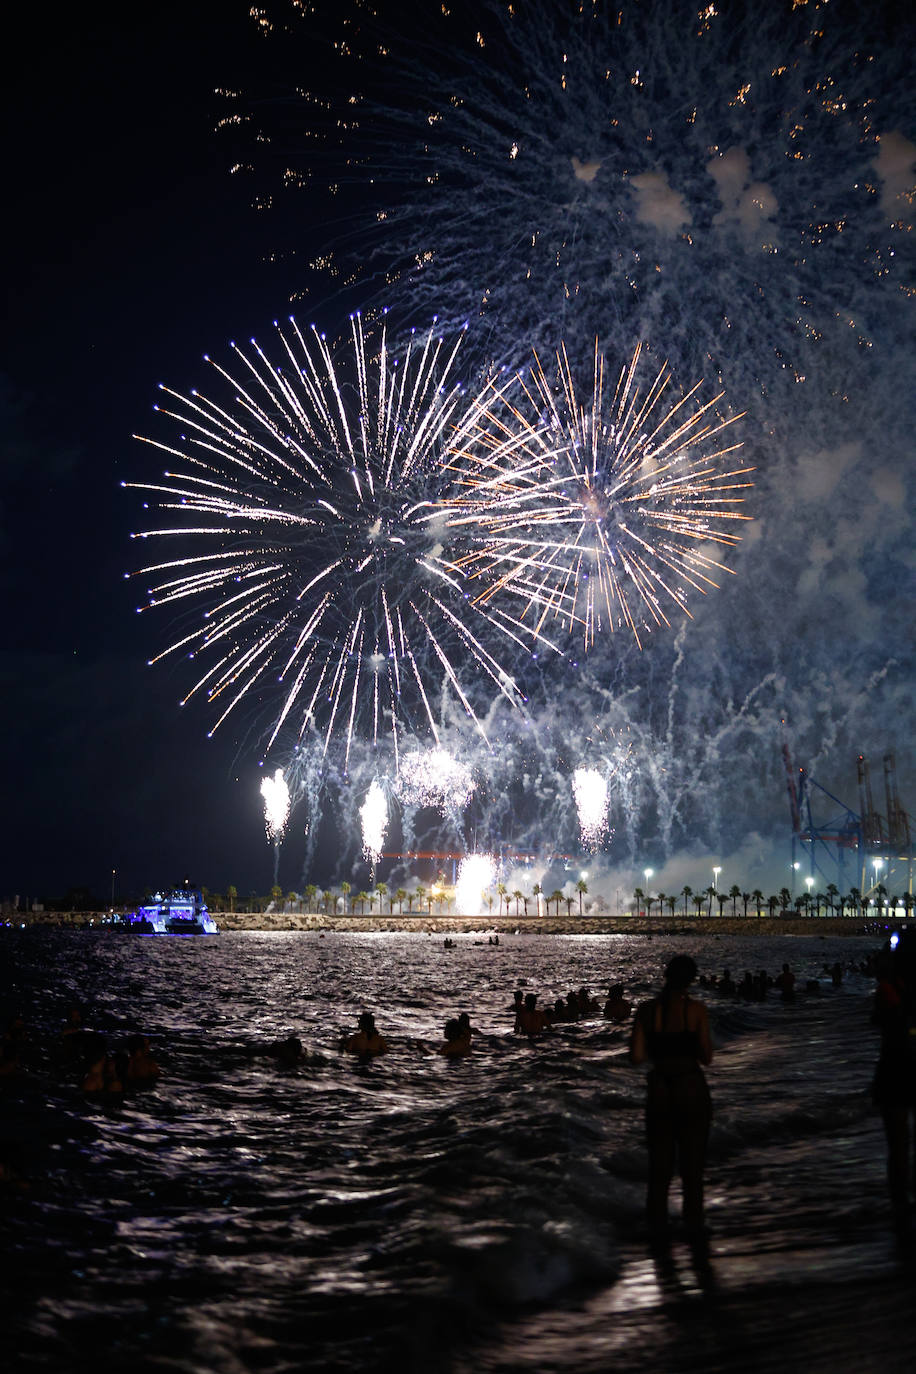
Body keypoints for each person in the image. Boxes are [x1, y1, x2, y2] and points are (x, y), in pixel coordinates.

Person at [630, 954, 713, 1241]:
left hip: (660, 1091)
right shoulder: (696, 1011)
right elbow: (707, 1057)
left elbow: (637, 1057)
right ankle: (694, 1225)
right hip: (690, 1087)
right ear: (691, 980)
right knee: (692, 1166)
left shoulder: (645, 1011)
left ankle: (657, 1229)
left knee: (660, 1168)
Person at [871, 932, 916, 1225]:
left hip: (893, 1070)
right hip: (904, 1067)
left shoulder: (888, 991)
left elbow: (878, 1020)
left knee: (897, 1144)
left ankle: (898, 1202)